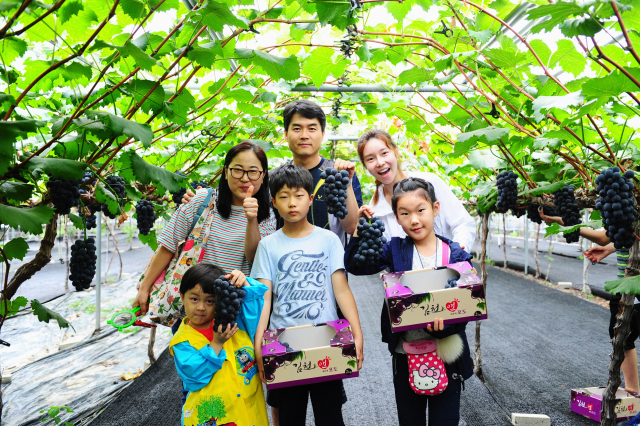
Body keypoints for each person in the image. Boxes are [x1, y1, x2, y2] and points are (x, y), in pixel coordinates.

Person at [345, 178, 473, 426]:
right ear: (396, 217)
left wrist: (447, 326)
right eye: (405, 213)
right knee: (409, 420)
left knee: (445, 420)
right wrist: (360, 230)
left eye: (421, 211)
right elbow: (355, 266)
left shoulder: (455, 254)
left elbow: (467, 304)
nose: (414, 219)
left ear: (436, 209)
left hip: (447, 356)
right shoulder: (394, 250)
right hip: (406, 354)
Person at [251, 164, 364, 426]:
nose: (292, 203)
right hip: (283, 345)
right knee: (290, 418)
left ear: (311, 199)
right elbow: (264, 299)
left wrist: (357, 334)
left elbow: (342, 289)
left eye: (299, 195)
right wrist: (259, 345)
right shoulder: (267, 246)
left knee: (331, 417)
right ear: (273, 202)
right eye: (284, 196)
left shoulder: (328, 240)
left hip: (327, 341)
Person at [133, 140, 277, 323]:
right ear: (226, 172)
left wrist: (252, 220)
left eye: (253, 172)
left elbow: (254, 257)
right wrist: (144, 287)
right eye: (238, 169)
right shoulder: (203, 200)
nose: (245, 178)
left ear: (263, 176)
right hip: (193, 312)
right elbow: (168, 245)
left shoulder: (267, 215)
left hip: (233, 311)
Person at [540, 210, 640, 392]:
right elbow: (627, 237)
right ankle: (633, 393)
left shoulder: (631, 209)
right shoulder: (631, 214)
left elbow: (603, 237)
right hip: (625, 285)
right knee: (621, 338)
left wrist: (566, 223)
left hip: (631, 285)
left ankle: (633, 394)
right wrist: (608, 250)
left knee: (622, 337)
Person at [170, 263, 269, 426]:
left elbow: (254, 302)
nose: (201, 307)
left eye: (210, 301)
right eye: (194, 299)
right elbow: (194, 377)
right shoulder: (182, 340)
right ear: (182, 297)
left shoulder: (236, 323)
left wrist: (242, 282)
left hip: (248, 412)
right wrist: (217, 343)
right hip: (213, 418)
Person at [356, 129, 475, 251]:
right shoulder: (374, 209)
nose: (380, 162)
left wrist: (457, 252)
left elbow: (463, 223)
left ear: (396, 152)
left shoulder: (429, 182)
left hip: (446, 267)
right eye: (370, 159)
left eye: (384, 153)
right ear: (365, 166)